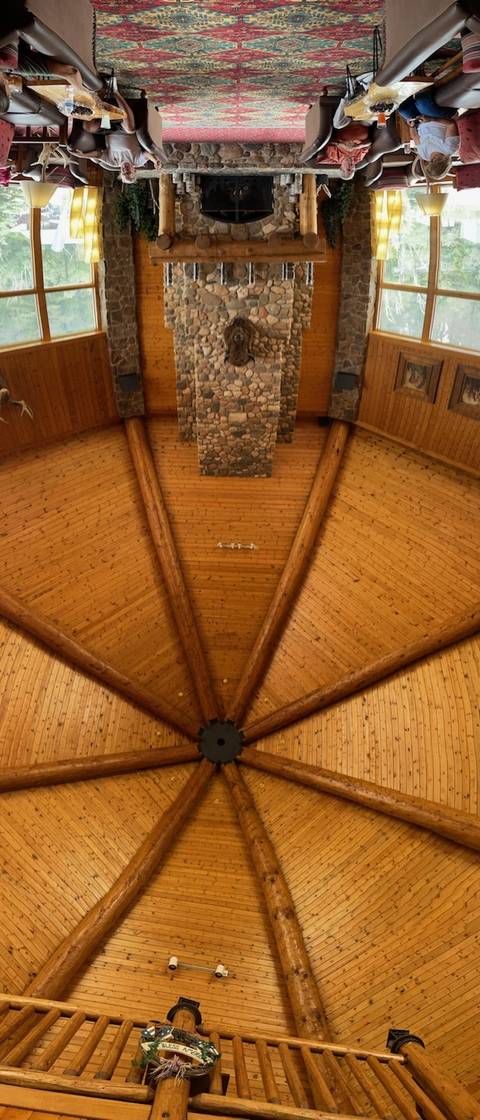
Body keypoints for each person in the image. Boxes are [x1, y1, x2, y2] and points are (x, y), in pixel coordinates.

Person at [397, 87, 460, 171]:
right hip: (441, 118)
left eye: (432, 160)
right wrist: (431, 119)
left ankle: (406, 86)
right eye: (437, 160)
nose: (434, 158)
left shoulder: (424, 156)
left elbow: (415, 137)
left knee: (402, 109)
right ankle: (422, 82)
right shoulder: (450, 148)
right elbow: (451, 124)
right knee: (421, 102)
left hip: (420, 121)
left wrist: (411, 126)